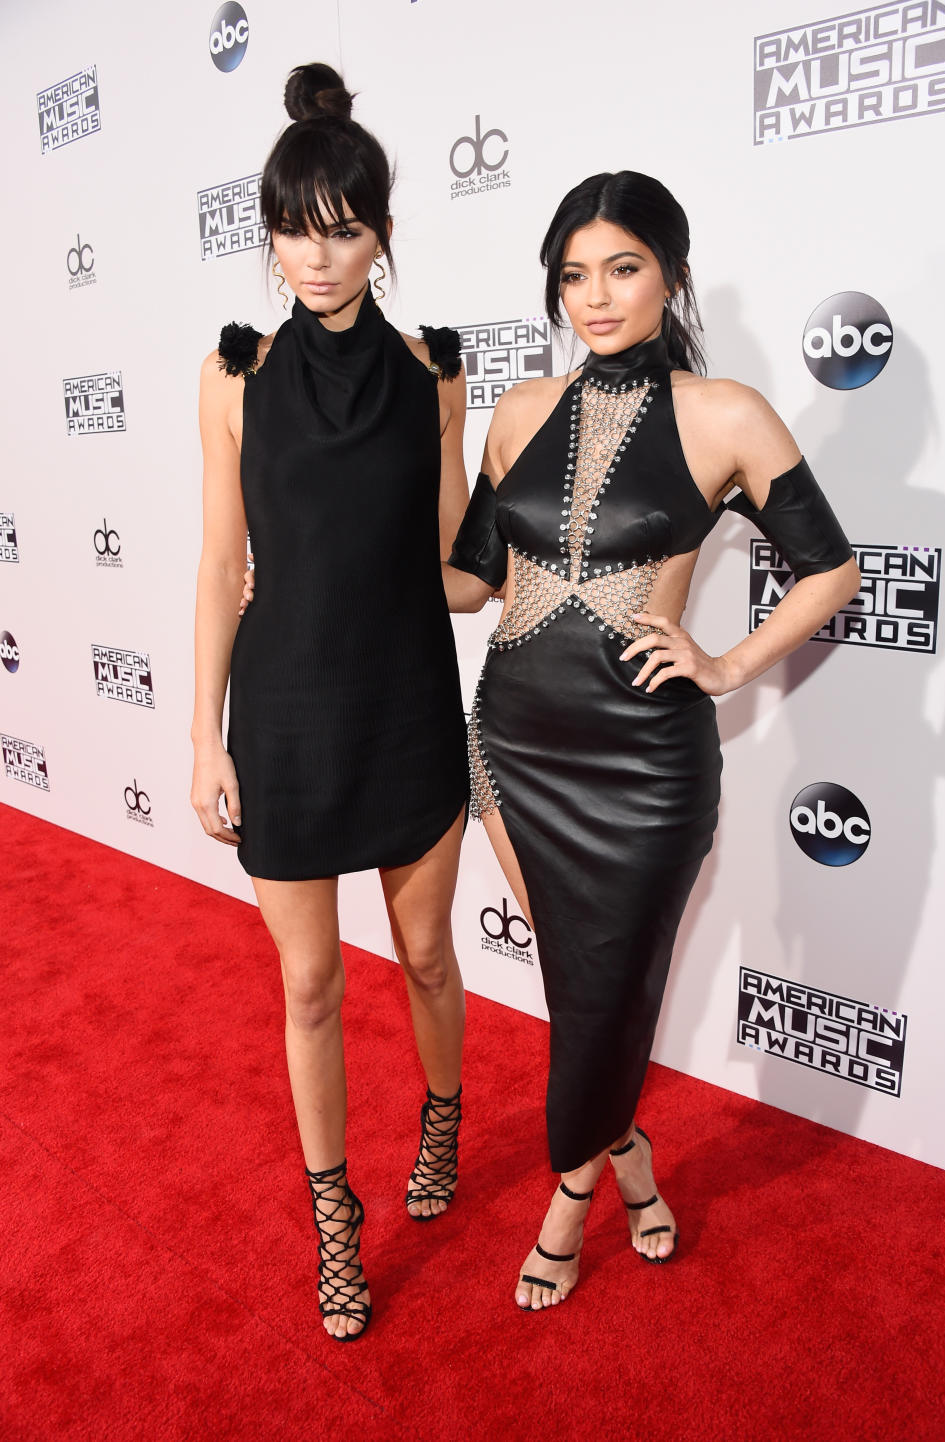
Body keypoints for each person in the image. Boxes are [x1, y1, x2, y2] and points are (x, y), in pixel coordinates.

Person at [443, 171, 860, 1311]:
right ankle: (627, 1153)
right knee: (586, 992)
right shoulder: (520, 412)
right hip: (514, 750)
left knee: (610, 979)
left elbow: (832, 568)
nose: (595, 295)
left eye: (621, 268)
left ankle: (569, 1198)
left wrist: (724, 664)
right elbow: (470, 584)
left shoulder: (726, 412)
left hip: (649, 764)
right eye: (573, 275)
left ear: (670, 271)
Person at [190, 63, 470, 1342]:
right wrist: (205, 735)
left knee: (421, 954)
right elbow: (218, 562)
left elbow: (456, 564)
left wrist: (559, 551)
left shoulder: (435, 373)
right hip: (289, 712)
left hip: (410, 697)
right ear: (269, 232)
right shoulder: (232, 374)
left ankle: (445, 1114)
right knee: (309, 987)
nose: (317, 253)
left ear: (384, 232)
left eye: (344, 226)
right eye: (295, 227)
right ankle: (334, 1216)